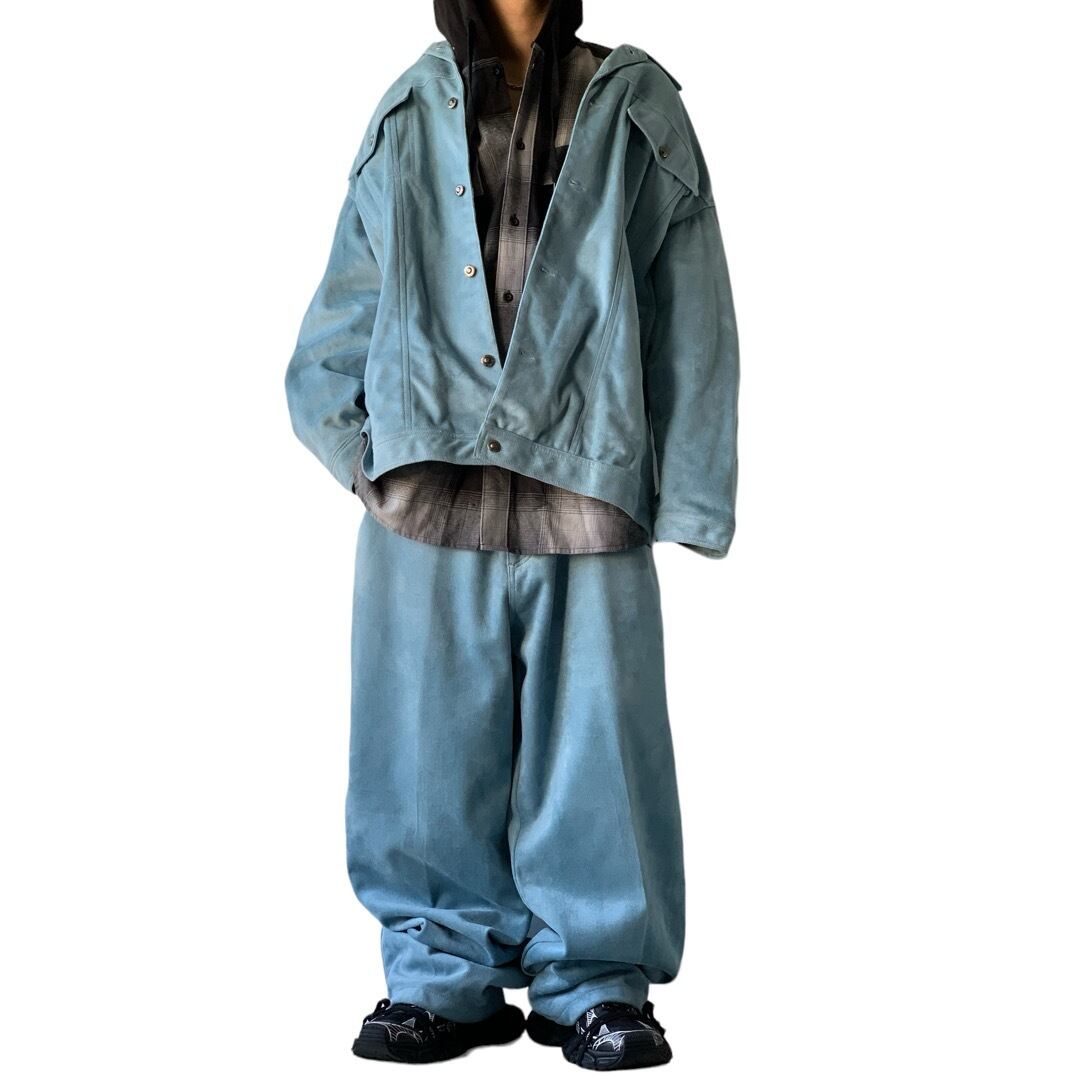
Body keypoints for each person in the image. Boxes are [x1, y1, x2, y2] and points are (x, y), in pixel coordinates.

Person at [285, 0, 739, 1068]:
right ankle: (438, 979)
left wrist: (689, 488)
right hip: (423, 493)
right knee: (417, 750)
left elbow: (690, 301)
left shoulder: (635, 105)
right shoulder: (409, 108)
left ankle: (598, 982)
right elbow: (349, 294)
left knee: (601, 748)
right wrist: (357, 446)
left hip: (589, 477)